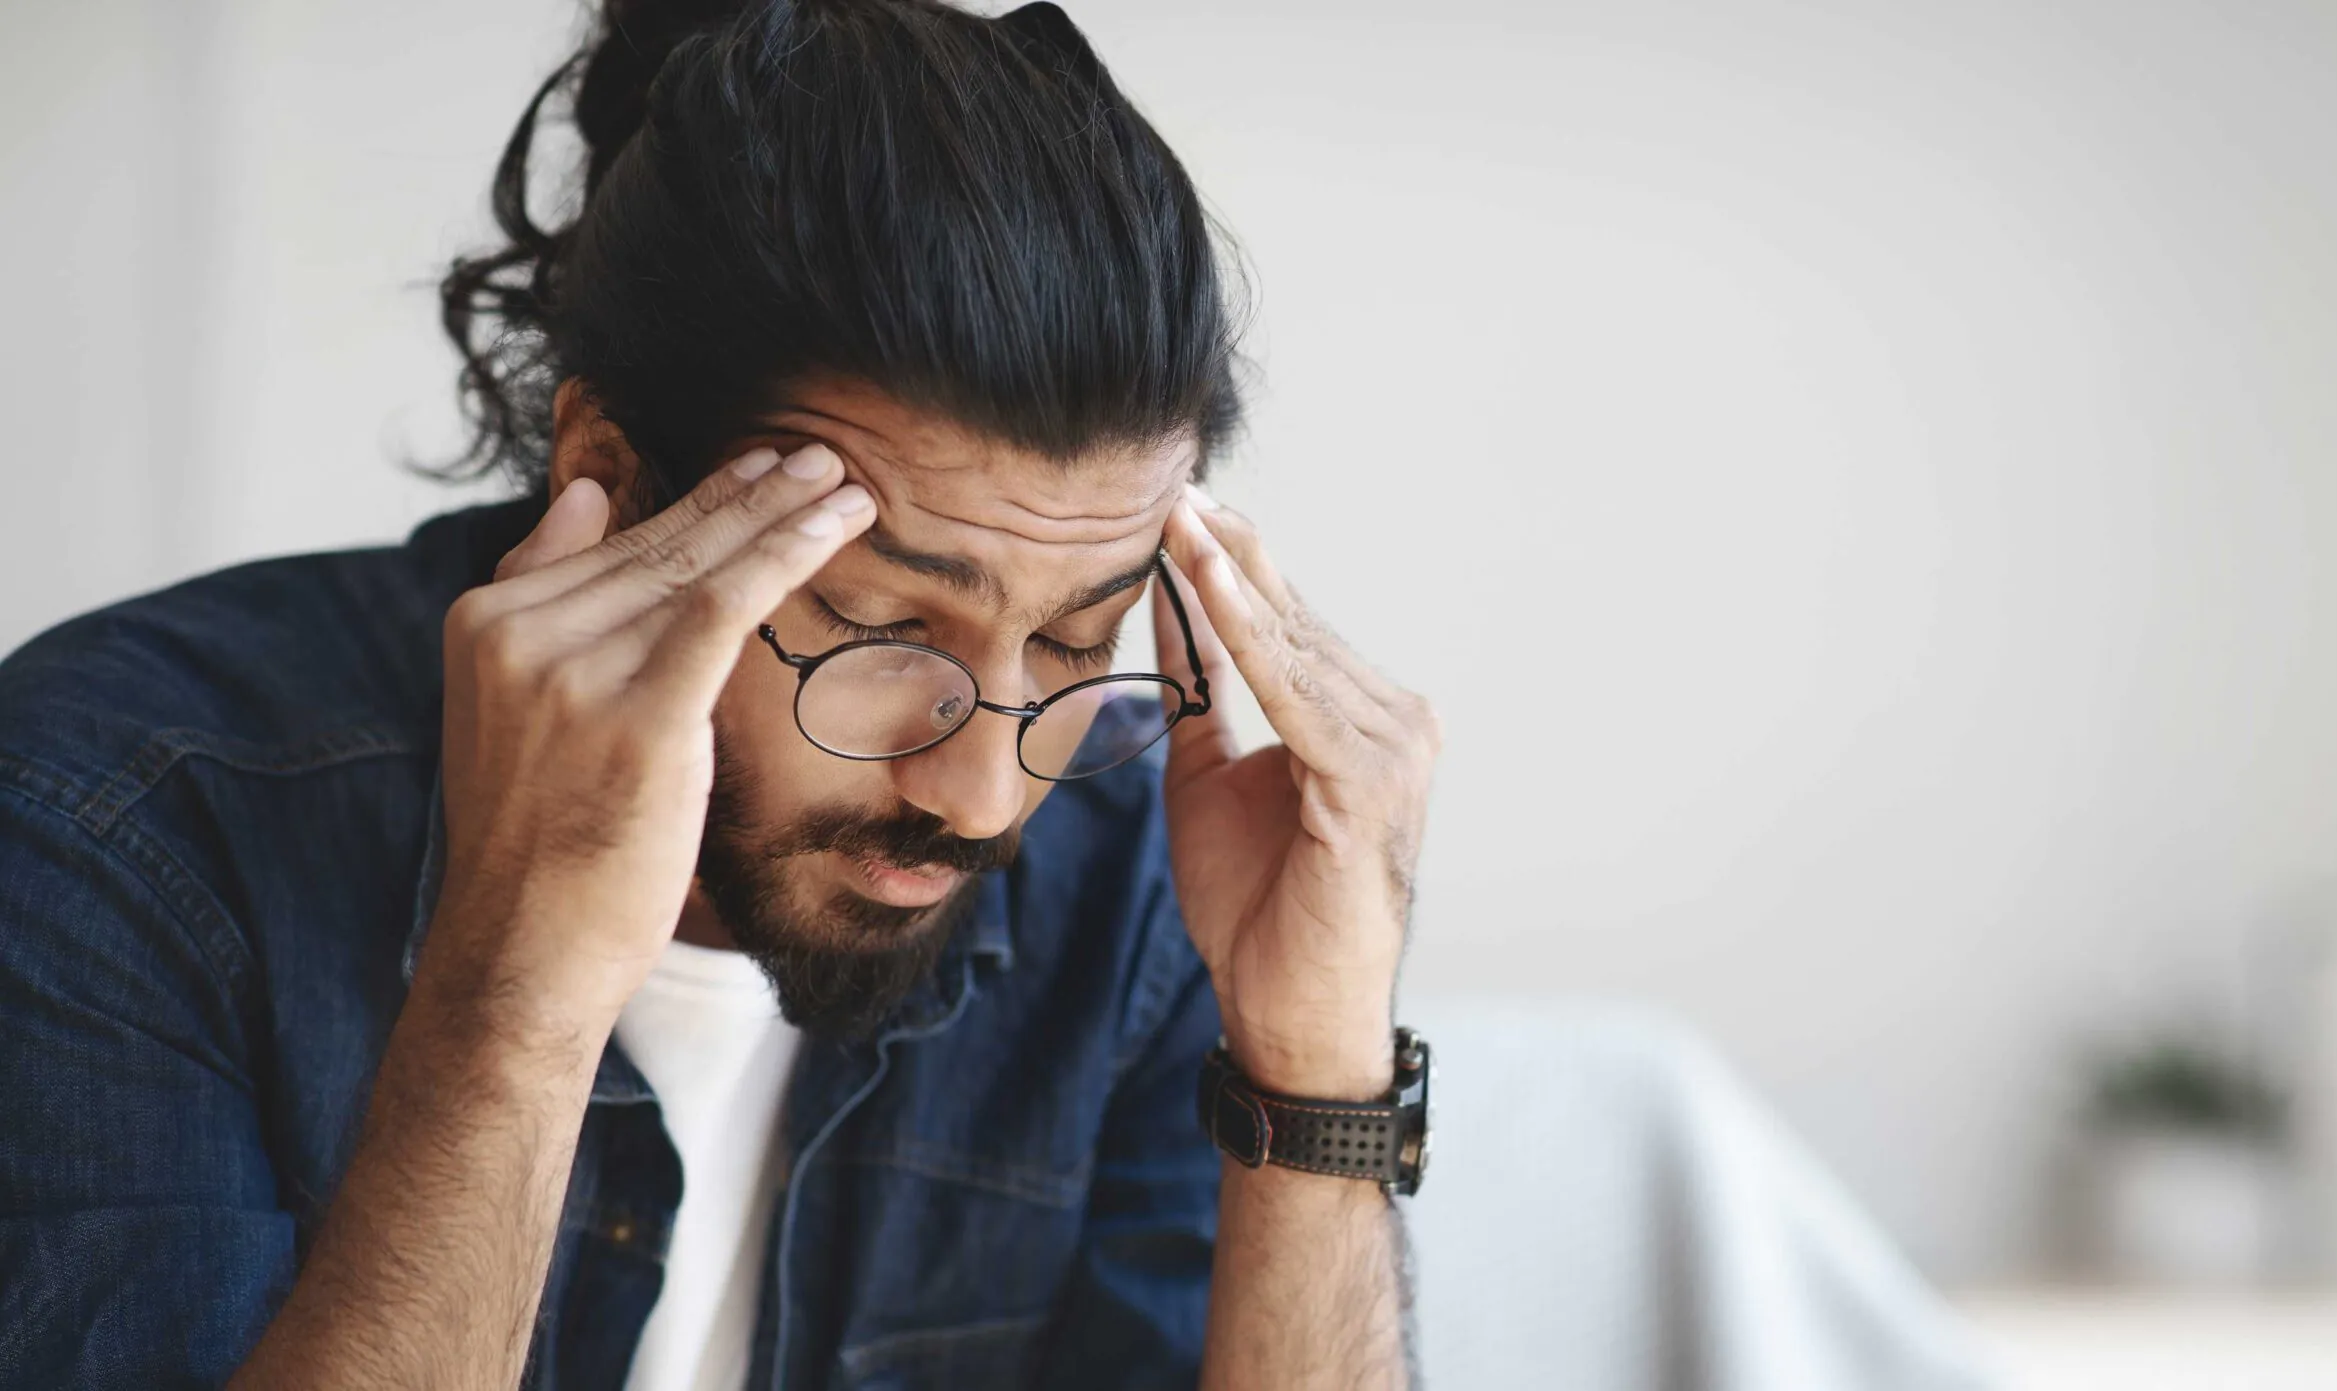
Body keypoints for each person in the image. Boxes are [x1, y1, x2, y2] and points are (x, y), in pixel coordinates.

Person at [0, 1, 1440, 1386]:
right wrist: (522, 989)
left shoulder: (1132, 879)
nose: (987, 789)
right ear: (610, 484)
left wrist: (1316, 1075)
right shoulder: (107, 826)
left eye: (1078, 640)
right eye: (882, 624)